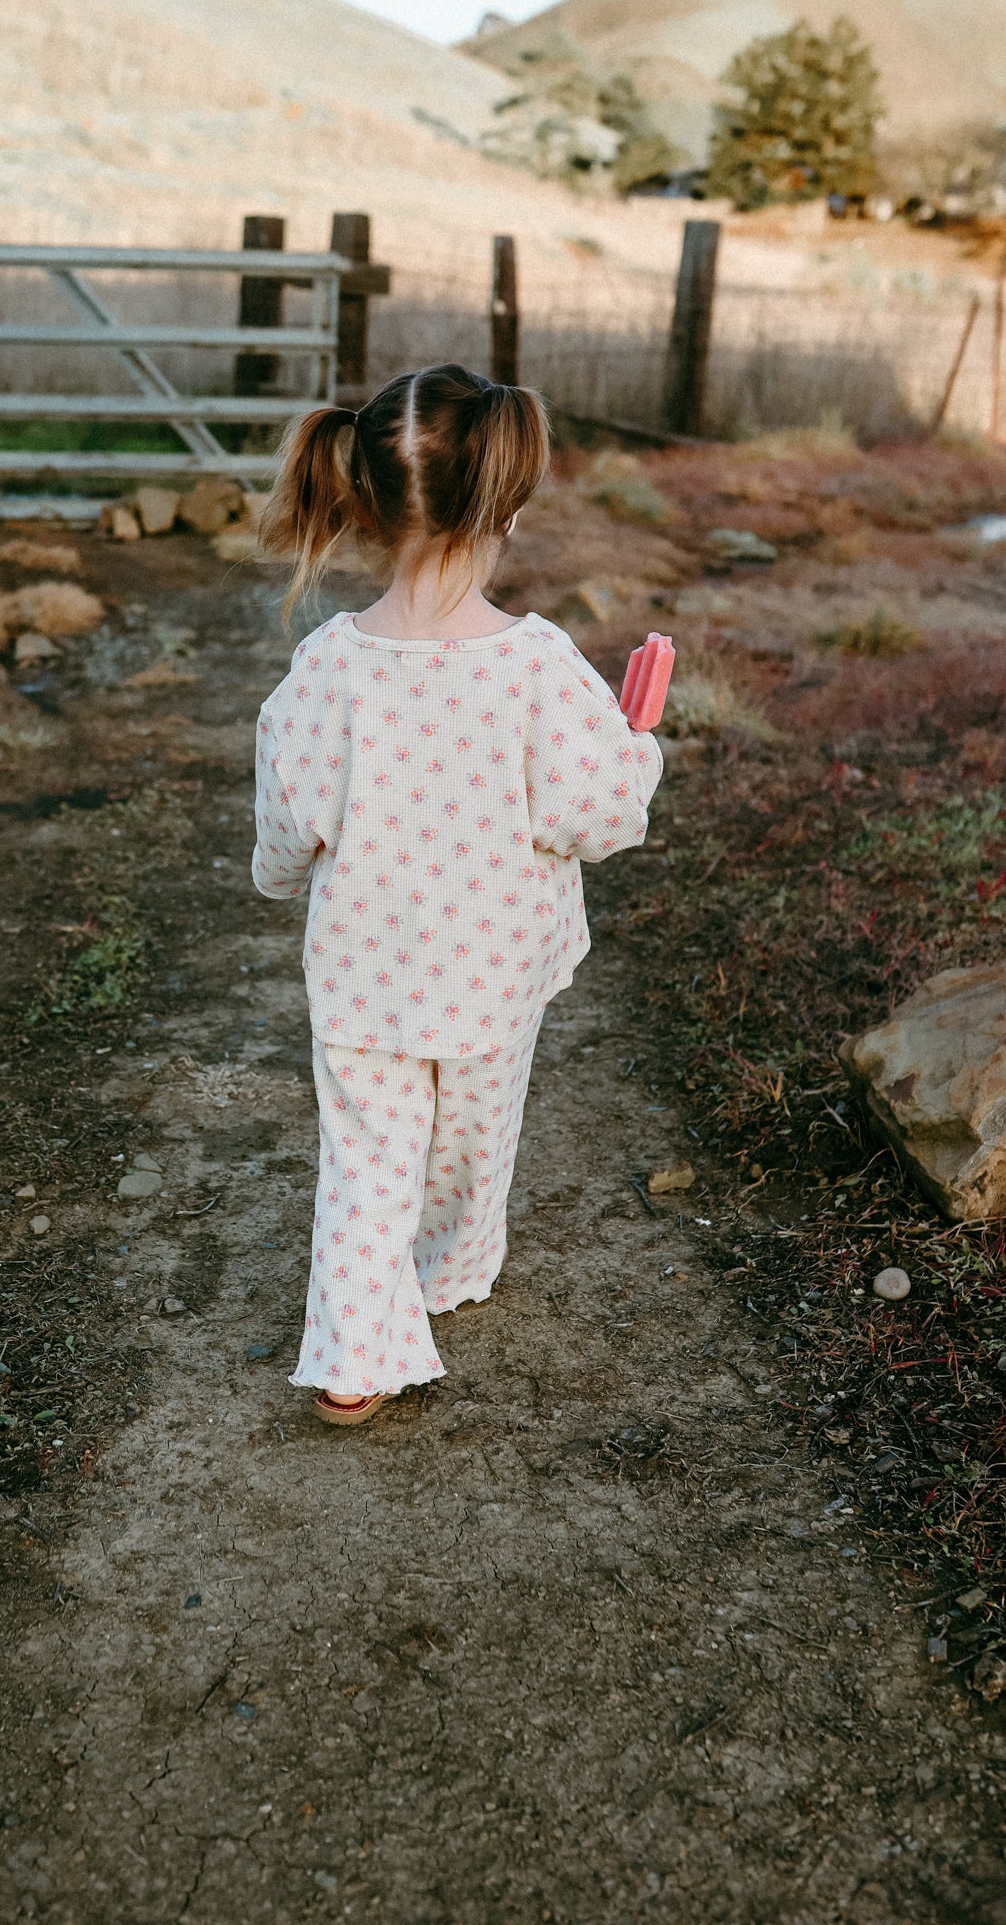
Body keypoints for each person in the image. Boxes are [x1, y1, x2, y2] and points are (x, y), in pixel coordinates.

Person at [251, 364, 662, 1425]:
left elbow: (289, 816)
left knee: (367, 1152)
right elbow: (601, 814)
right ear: (504, 504)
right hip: (492, 969)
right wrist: (640, 747)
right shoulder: (538, 665)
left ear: (363, 501)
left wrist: (282, 873)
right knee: (476, 1134)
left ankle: (353, 1353)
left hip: (365, 969)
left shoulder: (328, 665)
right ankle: (442, 1272)